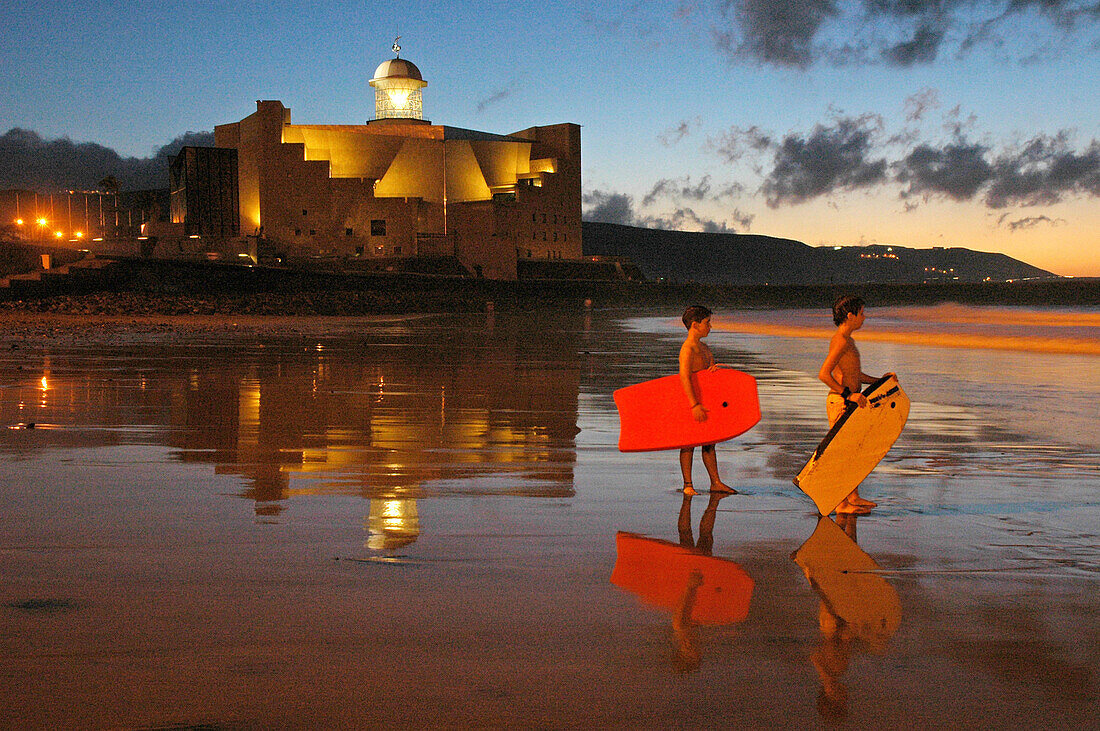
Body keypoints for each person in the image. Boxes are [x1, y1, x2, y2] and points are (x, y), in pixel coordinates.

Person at [817, 295, 889, 514]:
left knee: (853, 452)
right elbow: (823, 374)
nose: (864, 317)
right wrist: (848, 395)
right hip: (840, 402)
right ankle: (841, 505)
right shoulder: (840, 341)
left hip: (848, 401)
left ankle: (853, 496)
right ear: (850, 315)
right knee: (844, 454)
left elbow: (854, 374)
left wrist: (880, 381)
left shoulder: (847, 340)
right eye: (862, 313)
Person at [679, 305, 735, 495]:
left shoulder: (704, 347)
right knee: (688, 443)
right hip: (692, 401)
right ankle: (688, 484)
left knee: (710, 442)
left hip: (706, 399)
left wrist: (715, 370)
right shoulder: (687, 349)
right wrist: (693, 404)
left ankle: (716, 482)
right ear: (695, 325)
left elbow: (709, 375)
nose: (710, 326)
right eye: (707, 323)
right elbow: (684, 377)